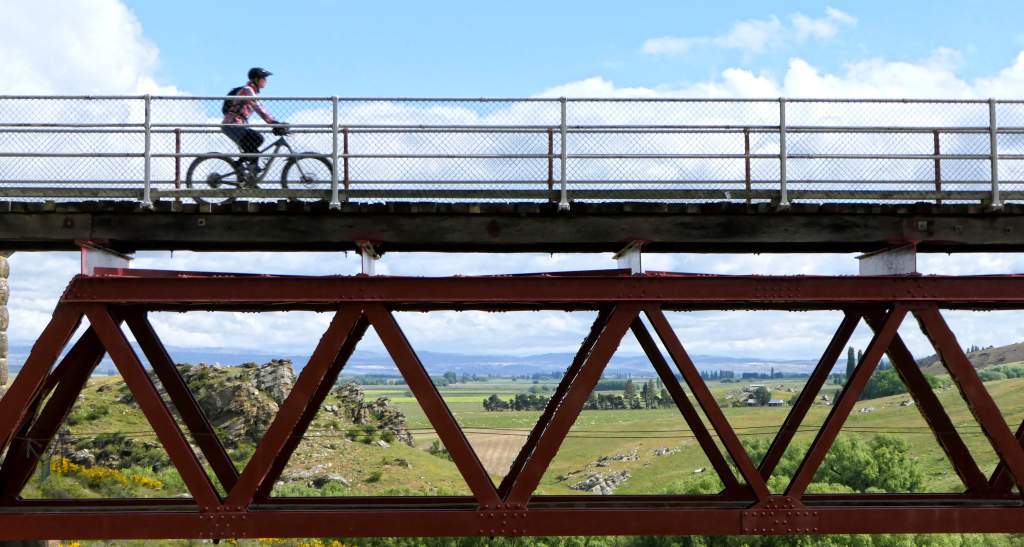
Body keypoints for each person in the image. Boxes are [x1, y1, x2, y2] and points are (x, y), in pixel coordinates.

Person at [221, 67, 288, 173]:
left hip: (237, 125)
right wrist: (273, 123)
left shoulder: (251, 91)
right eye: (264, 78)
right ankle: (247, 169)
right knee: (257, 138)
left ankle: (240, 168)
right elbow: (259, 108)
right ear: (256, 79)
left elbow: (260, 108)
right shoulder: (247, 90)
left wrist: (274, 123)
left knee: (253, 146)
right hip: (231, 125)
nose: (266, 81)